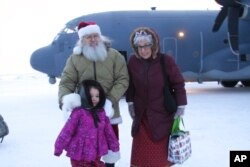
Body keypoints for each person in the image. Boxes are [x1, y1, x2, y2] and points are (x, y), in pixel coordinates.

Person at [58, 21, 129, 167]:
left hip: (109, 113)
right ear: (82, 39)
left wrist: (110, 100)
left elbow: (123, 79)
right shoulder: (74, 59)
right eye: (88, 37)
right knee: (86, 152)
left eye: (95, 36)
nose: (92, 39)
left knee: (111, 149)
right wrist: (66, 100)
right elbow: (67, 82)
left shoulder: (114, 55)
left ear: (100, 37)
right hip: (84, 116)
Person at [126, 27, 187, 167]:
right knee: (140, 160)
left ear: (153, 45)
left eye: (146, 45)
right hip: (142, 119)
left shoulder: (166, 61)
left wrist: (180, 106)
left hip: (162, 117)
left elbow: (178, 84)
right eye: (139, 47)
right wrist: (130, 103)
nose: (143, 50)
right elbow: (131, 86)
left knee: (159, 160)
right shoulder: (133, 62)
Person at [54, 80, 120, 167]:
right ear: (84, 96)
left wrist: (114, 146)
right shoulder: (78, 113)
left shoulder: (101, 113)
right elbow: (67, 131)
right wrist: (59, 146)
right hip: (79, 154)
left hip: (96, 153)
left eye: (97, 96)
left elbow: (109, 132)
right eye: (91, 95)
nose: (94, 98)